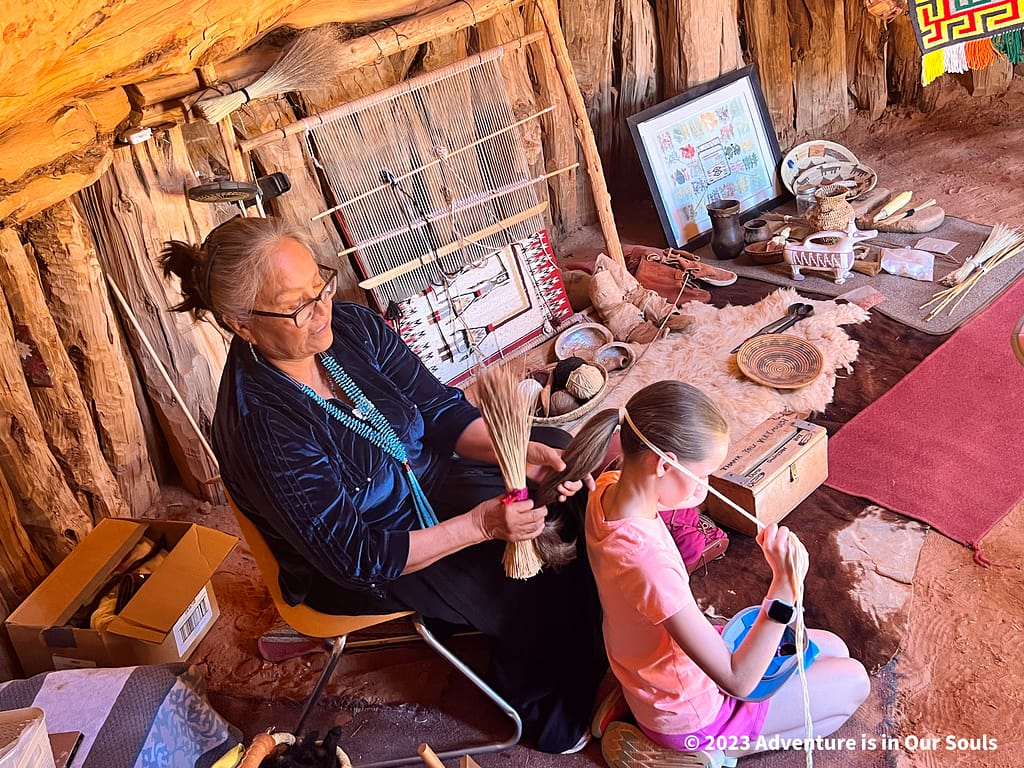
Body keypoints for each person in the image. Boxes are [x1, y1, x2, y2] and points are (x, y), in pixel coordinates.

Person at [159, 215, 607, 754]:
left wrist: (520, 452)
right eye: (298, 306)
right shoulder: (263, 427)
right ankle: (546, 708)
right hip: (375, 550)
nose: (321, 310)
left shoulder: (349, 327)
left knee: (560, 463)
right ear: (240, 324)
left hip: (427, 480)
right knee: (522, 574)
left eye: (319, 286)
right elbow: (357, 557)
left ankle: (598, 632)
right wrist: (483, 525)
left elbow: (441, 414)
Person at [562, 381, 870, 765]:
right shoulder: (649, 565)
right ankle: (713, 753)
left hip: (651, 675)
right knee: (855, 682)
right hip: (691, 714)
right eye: (702, 474)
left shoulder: (608, 486)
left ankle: (632, 709)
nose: (705, 488)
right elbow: (739, 682)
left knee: (832, 650)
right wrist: (785, 589)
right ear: (663, 464)